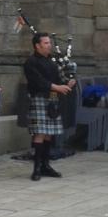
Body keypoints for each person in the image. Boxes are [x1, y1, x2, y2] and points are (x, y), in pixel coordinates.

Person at [23, 32, 76, 181]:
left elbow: (58, 79)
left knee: (48, 134)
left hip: (52, 99)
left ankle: (46, 166)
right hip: (39, 98)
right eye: (46, 43)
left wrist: (67, 83)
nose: (49, 45)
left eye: (49, 43)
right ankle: (36, 168)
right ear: (37, 46)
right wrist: (57, 87)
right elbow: (38, 81)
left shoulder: (52, 62)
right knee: (39, 133)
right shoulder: (31, 62)